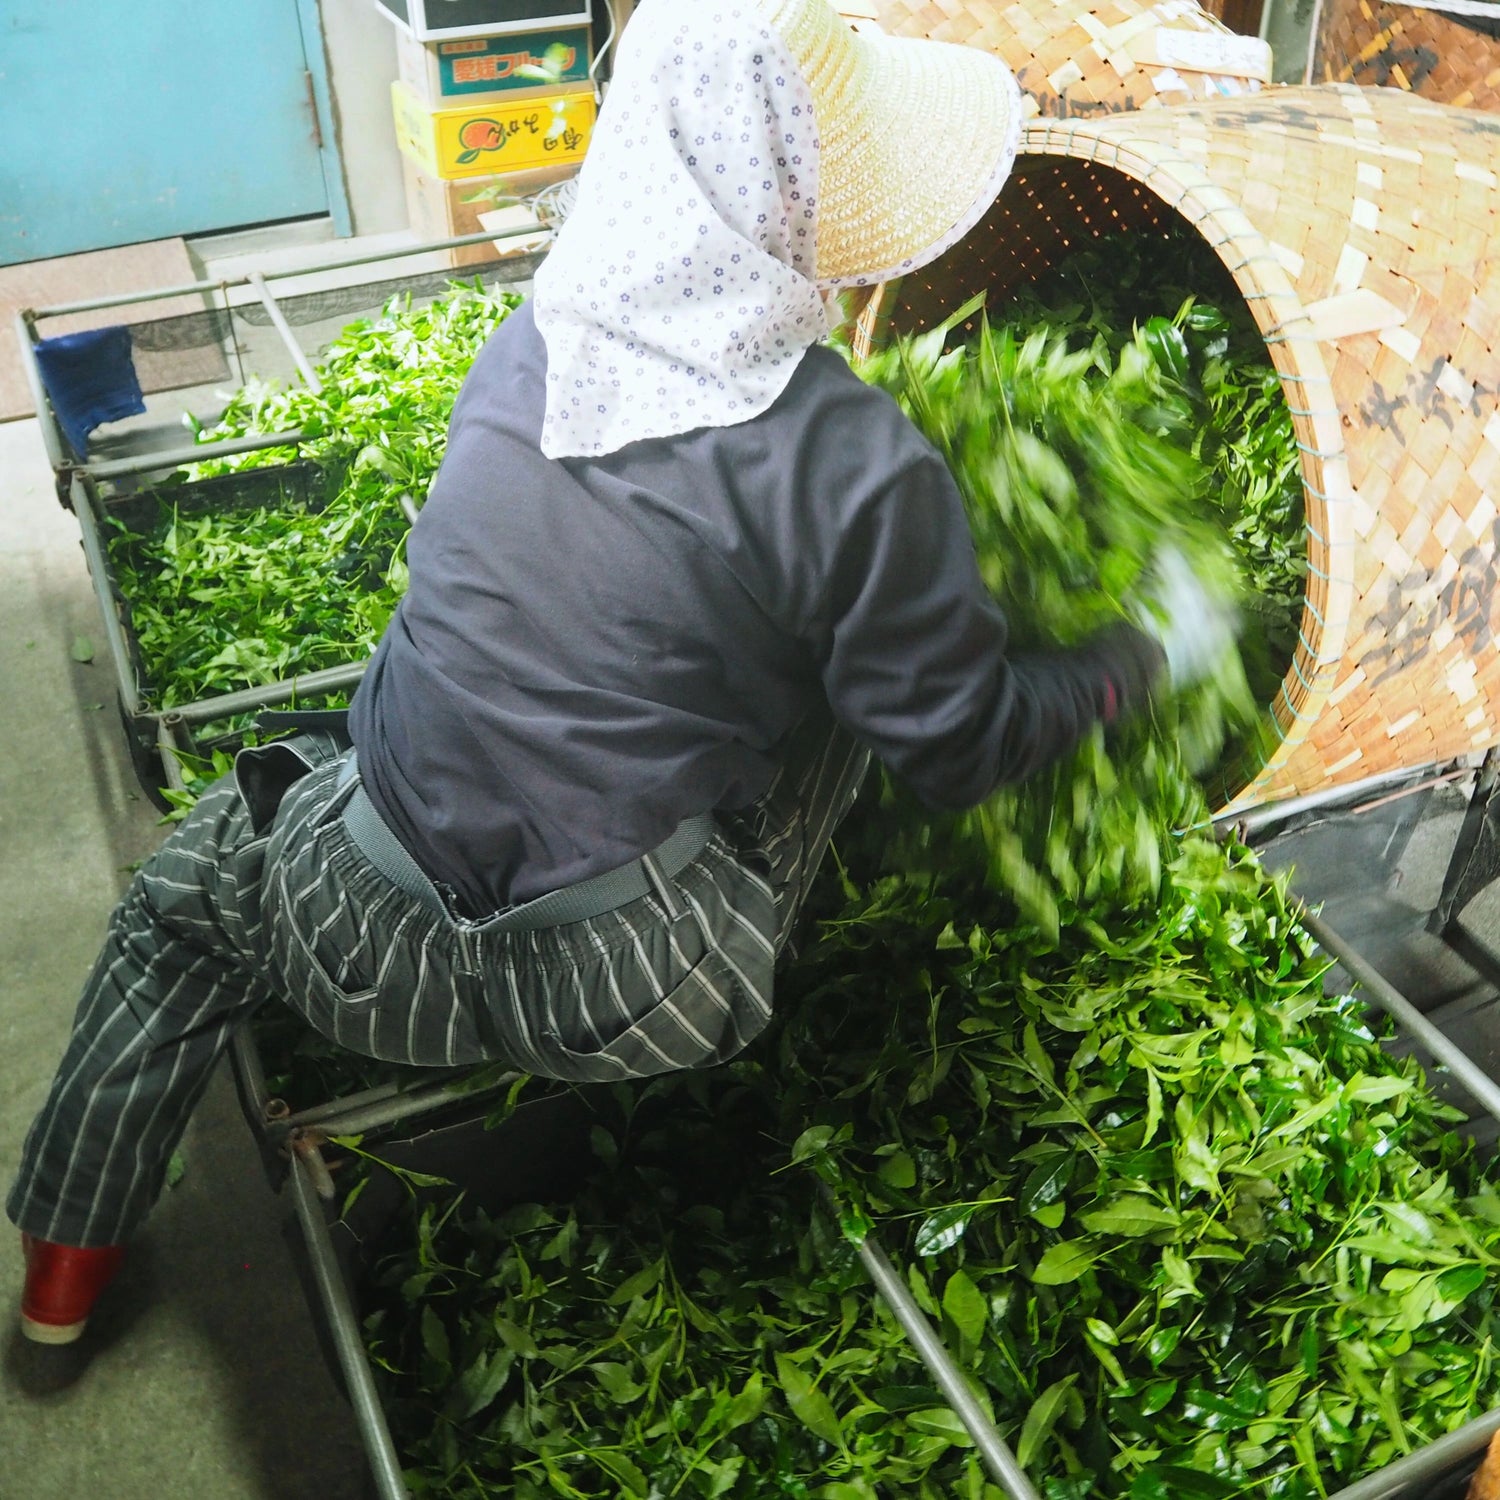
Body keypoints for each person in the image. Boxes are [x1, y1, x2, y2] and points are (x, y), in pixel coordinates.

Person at [8, 0, 1229, 1344]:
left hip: (350, 935)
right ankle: (794, 949)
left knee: (173, 918)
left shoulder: (528, 338)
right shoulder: (860, 461)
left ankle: (65, 1263)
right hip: (643, 990)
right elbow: (961, 745)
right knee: (856, 691)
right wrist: (1137, 655)